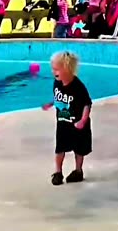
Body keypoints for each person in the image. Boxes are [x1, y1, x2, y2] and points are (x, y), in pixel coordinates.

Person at [42, 51, 93, 186]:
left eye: (56, 69)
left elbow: (87, 104)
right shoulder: (57, 83)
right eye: (53, 69)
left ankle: (78, 170)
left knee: (79, 149)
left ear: (67, 68)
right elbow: (58, 98)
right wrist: (51, 103)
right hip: (63, 123)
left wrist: (83, 120)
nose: (54, 72)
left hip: (77, 123)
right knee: (60, 149)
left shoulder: (78, 87)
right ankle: (58, 172)